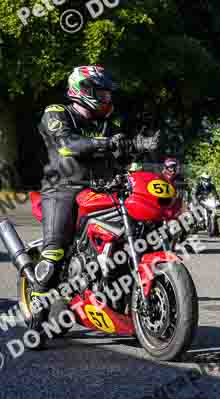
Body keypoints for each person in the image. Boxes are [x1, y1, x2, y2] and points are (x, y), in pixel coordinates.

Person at [31, 65, 158, 340]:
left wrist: (139, 145)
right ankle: (37, 318)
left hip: (104, 189)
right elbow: (67, 145)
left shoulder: (107, 124)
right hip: (62, 189)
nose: (107, 99)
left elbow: (119, 152)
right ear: (82, 91)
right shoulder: (57, 113)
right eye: (101, 93)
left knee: (136, 233)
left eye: (108, 94)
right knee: (54, 253)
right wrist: (108, 142)